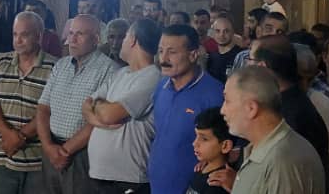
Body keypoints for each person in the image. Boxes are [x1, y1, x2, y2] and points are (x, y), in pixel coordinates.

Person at [36, 14, 119, 194]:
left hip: (82, 154)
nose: (72, 40)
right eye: (71, 33)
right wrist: (48, 147)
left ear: (96, 39)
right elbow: (43, 108)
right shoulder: (61, 65)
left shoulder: (110, 70)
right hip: (51, 150)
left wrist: (65, 150)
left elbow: (99, 120)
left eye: (79, 34)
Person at [216, 66, 324, 194]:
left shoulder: (282, 163)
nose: (222, 110)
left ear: (251, 109)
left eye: (227, 101)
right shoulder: (264, 150)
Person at [84, 18, 162, 194]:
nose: (120, 43)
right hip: (102, 175)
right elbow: (86, 105)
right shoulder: (120, 73)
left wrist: (100, 106)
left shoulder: (152, 77)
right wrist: (99, 119)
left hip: (127, 178)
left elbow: (110, 115)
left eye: (125, 36)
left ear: (133, 39)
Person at [0, 12, 58, 194]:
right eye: (15, 34)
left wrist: (20, 137)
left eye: (24, 35)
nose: (18, 40)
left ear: (39, 36)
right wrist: (7, 134)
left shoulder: (55, 67)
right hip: (2, 156)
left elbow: (50, 110)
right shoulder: (1, 61)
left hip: (37, 161)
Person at [149, 24, 225, 194]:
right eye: (161, 51)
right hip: (158, 184)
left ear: (193, 55)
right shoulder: (161, 86)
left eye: (172, 52)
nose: (163, 59)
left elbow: (227, 147)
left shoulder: (215, 94)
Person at [248, 35, 329, 167]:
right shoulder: (285, 102)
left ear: (262, 67)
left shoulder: (289, 115)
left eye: (250, 59)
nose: (247, 66)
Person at [188, 108, 234, 194]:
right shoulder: (201, 168)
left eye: (204, 139)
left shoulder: (217, 184)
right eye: (196, 136)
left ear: (225, 146)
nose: (194, 143)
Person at [206, 17, 242, 83]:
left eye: (226, 31)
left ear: (233, 32)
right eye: (217, 31)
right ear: (213, 33)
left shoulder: (241, 56)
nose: (221, 35)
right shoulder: (210, 57)